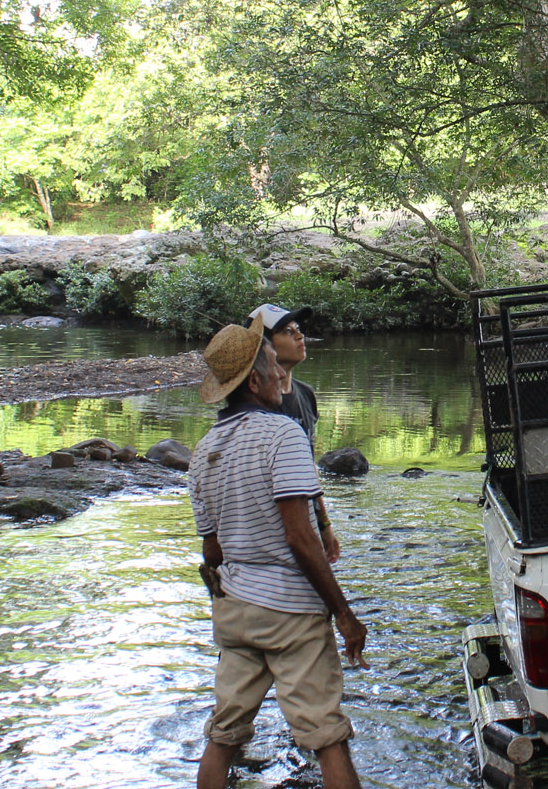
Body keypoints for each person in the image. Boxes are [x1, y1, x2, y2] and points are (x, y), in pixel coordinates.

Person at [191, 319, 367, 789]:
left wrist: (229, 594)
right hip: (290, 612)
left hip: (235, 614)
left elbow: (212, 551)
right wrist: (344, 614)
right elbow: (299, 537)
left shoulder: (203, 450)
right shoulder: (282, 434)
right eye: (273, 368)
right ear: (254, 381)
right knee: (328, 738)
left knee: (223, 737)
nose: (280, 378)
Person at [247, 302, 340, 561]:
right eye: (288, 332)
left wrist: (325, 525)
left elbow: (308, 470)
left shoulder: (306, 394)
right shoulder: (254, 400)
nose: (300, 336)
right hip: (268, 532)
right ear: (264, 346)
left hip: (306, 522)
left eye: (298, 329)